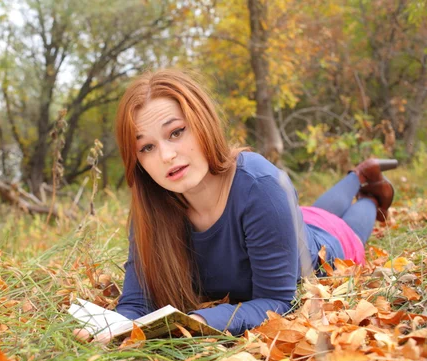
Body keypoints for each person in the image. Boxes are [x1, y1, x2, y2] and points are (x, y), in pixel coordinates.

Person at [79, 68, 398, 341]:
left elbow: (276, 301)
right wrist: (113, 328)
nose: (166, 155)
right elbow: (136, 302)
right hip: (292, 219)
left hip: (327, 246)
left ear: (202, 123)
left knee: (345, 225)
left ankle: (368, 191)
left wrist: (204, 322)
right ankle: (359, 173)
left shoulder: (260, 185)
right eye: (146, 147)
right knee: (315, 213)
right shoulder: (151, 210)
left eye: (176, 132)